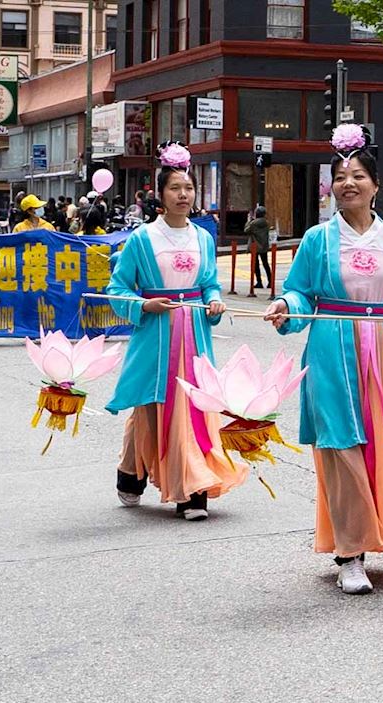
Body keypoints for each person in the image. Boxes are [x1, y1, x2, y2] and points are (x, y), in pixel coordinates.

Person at [263, 124, 383, 596]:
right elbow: (300, 292)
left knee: (381, 444)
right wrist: (286, 306)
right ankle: (349, 553)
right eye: (340, 177)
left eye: (358, 175)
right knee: (341, 447)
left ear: (376, 185)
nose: (348, 184)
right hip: (332, 350)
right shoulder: (318, 239)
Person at [105, 141, 246, 521]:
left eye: (189, 188)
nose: (183, 195)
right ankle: (131, 472)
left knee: (191, 408)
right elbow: (118, 288)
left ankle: (192, 491)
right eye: (175, 188)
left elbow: (209, 283)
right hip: (157, 335)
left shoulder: (203, 238)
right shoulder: (142, 239)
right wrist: (143, 305)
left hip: (194, 335)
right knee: (149, 409)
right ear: (161, 195)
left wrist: (213, 302)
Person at [243, 205, 273, 290]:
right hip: (263, 245)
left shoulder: (253, 223)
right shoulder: (266, 223)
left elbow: (246, 230)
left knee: (256, 265)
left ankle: (259, 282)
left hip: (255, 246)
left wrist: (249, 220)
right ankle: (270, 281)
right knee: (265, 264)